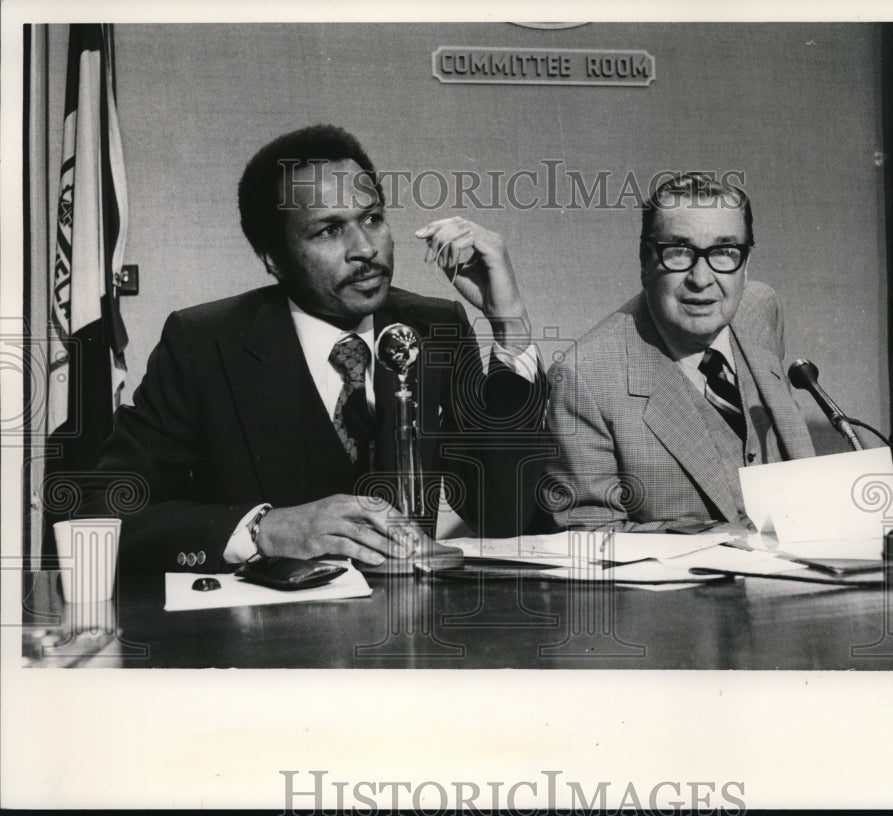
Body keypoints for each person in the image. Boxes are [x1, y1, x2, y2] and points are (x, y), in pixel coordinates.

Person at [82, 124, 547, 572]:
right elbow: (98, 516)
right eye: (329, 230)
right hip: (263, 638)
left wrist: (509, 324)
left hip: (406, 634)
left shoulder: (434, 325)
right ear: (272, 257)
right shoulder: (204, 343)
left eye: (372, 218)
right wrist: (263, 528)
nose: (365, 247)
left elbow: (502, 516)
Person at [544, 173, 814, 532]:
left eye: (724, 252)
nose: (701, 279)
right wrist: (722, 539)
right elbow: (589, 536)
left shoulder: (758, 309)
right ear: (644, 260)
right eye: (679, 252)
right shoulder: (586, 377)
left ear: (745, 265)